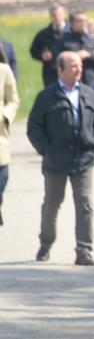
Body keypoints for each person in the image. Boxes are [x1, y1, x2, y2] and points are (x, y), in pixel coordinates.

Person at [27, 51, 94, 265]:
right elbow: (34, 127)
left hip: (84, 160)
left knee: (85, 204)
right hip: (56, 161)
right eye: (73, 65)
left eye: (79, 65)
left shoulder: (89, 93)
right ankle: (45, 243)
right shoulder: (46, 96)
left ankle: (84, 250)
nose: (78, 69)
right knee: (52, 204)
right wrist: (45, 150)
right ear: (60, 70)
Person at [52, 10, 94, 92]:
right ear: (72, 23)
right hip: (70, 83)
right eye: (80, 21)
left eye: (85, 20)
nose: (83, 23)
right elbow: (56, 60)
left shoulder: (93, 39)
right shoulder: (62, 40)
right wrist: (75, 56)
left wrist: (89, 55)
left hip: (92, 83)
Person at [0, 55, 19, 226]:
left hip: (0, 136)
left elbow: (13, 100)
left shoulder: (4, 70)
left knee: (2, 177)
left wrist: (5, 116)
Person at [30, 3, 68, 87]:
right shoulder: (43, 34)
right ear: (50, 16)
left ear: (64, 14)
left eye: (59, 14)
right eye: (53, 15)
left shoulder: (71, 32)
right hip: (50, 73)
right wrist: (41, 56)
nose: (56, 17)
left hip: (69, 71)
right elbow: (33, 51)